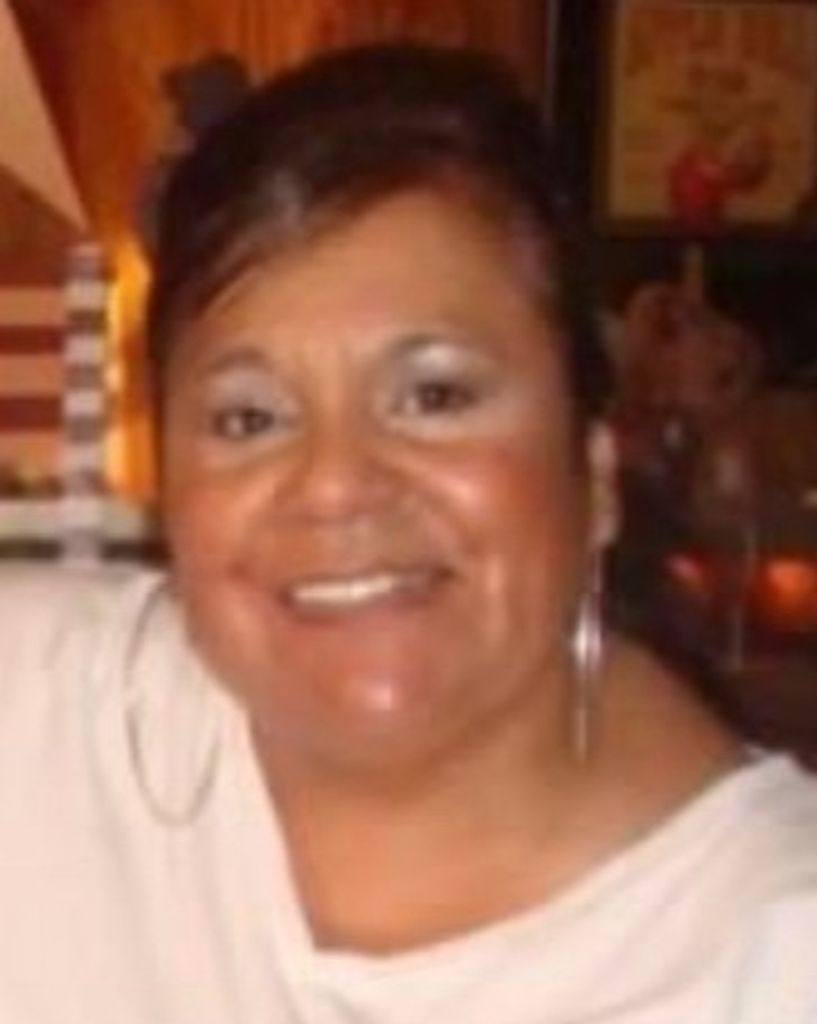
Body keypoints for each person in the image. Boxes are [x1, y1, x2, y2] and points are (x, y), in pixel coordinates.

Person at [0, 42, 815, 1024]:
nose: (335, 483)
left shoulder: (772, 958)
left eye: (432, 397)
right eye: (248, 418)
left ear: (594, 472)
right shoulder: (44, 724)